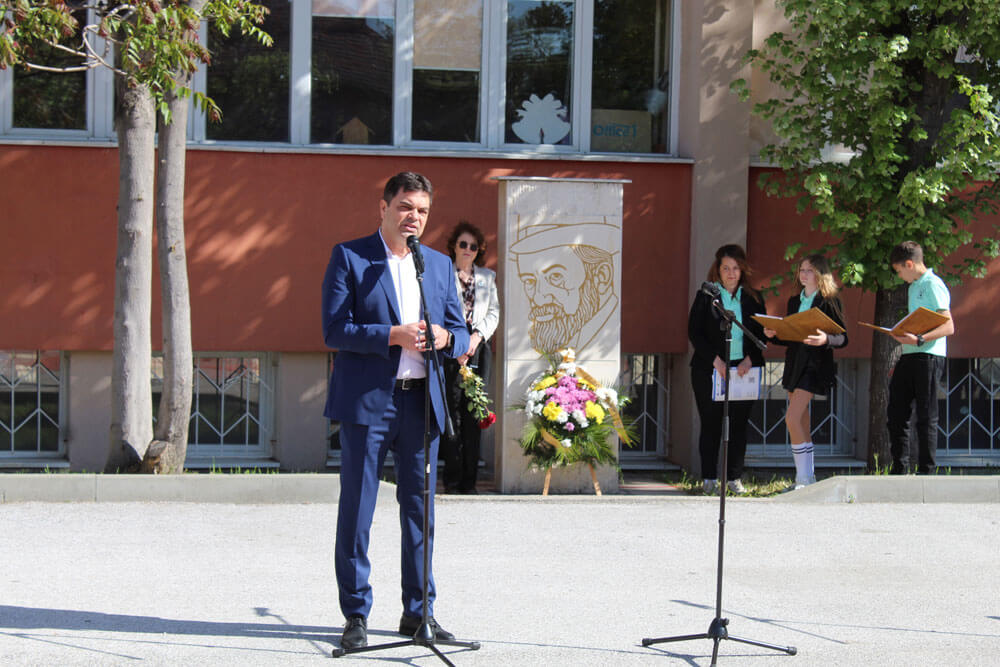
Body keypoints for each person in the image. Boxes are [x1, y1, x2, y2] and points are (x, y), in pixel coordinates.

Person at [321, 171, 470, 650]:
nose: (414, 217)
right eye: (405, 207)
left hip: (420, 403)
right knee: (358, 508)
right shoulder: (351, 257)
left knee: (420, 511)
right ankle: (355, 614)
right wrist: (393, 335)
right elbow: (334, 329)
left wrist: (445, 338)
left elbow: (460, 333)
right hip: (369, 403)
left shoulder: (438, 266)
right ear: (383, 208)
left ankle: (419, 612)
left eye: (422, 210)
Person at [763, 255, 848, 489]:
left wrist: (825, 339)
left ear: (820, 274)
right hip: (794, 364)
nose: (803, 274)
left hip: (814, 366)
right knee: (801, 420)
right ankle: (807, 478)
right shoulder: (794, 301)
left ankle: (802, 478)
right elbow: (791, 337)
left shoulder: (830, 301)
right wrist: (774, 334)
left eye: (809, 270)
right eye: (801, 270)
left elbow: (843, 338)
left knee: (791, 418)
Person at [688, 244, 767, 495]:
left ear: (742, 270)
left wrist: (749, 359)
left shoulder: (753, 298)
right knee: (711, 424)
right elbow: (694, 332)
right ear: (718, 270)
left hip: (743, 370)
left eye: (735, 268)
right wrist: (716, 361)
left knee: (738, 426)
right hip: (710, 369)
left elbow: (761, 334)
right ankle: (709, 479)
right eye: (726, 268)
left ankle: (734, 478)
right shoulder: (707, 296)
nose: (731, 273)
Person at [441, 221, 500, 494]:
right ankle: (452, 479)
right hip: (449, 347)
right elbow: (438, 310)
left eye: (473, 246)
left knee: (474, 412)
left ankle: (469, 482)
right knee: (452, 412)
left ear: (479, 251)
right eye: (463, 244)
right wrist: (457, 345)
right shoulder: (443, 273)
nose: (467, 249)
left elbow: (493, 313)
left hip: (478, 348)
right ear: (454, 246)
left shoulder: (487, 277)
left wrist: (476, 338)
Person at [886, 240, 954, 475]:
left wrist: (920, 339)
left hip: (928, 356)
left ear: (909, 264)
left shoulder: (933, 284)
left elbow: (949, 326)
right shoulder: (913, 286)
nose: (899, 276)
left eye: (899, 271)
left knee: (926, 416)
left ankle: (926, 471)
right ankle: (899, 469)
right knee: (896, 412)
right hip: (909, 356)